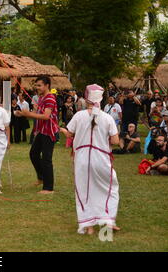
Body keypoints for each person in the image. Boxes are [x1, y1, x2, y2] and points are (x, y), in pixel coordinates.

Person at [60, 84, 120, 235]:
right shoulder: (107, 118)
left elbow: (69, 134)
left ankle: (89, 225)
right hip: (101, 159)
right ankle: (108, 220)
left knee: (84, 190)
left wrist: (63, 130)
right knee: (109, 189)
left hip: (82, 159)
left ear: (86, 99)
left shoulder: (78, 116)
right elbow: (115, 141)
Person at [15, 76, 59, 194]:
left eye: (39, 85)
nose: (37, 87)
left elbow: (46, 116)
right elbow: (36, 113)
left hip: (49, 132)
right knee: (33, 153)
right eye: (36, 85)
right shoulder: (41, 98)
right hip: (42, 131)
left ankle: (48, 188)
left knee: (46, 159)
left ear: (47, 86)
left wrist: (28, 113)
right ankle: (41, 178)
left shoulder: (50, 98)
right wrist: (23, 114)